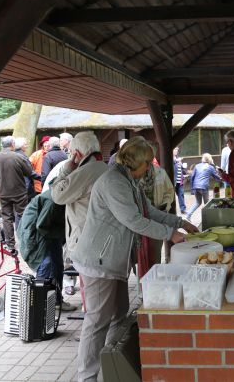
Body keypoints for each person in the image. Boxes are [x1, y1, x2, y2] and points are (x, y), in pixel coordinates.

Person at [71, 137, 198, 381]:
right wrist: (170, 235)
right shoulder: (113, 182)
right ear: (135, 163)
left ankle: (111, 368)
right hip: (98, 261)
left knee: (118, 314)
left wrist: (180, 222)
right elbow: (134, 220)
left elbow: (148, 211)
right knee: (97, 321)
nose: (150, 168)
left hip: (113, 261)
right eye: (147, 163)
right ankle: (86, 377)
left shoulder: (128, 180)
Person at [50, 131, 108, 297]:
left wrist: (65, 170)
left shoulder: (86, 171)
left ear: (76, 153)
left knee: (91, 292)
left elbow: (58, 196)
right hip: (99, 233)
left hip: (85, 237)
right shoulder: (102, 166)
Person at [17, 189, 77, 311]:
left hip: (49, 235)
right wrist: (65, 233)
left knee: (58, 266)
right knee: (46, 264)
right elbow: (42, 226)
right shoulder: (52, 200)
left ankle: (56, 301)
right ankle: (38, 310)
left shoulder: (62, 196)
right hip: (37, 236)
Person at [0, 136, 35, 251]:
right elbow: (29, 172)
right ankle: (27, 241)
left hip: (3, 194)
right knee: (23, 216)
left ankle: (10, 244)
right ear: (13, 144)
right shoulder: (18, 157)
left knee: (7, 218)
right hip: (20, 193)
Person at [185, 153, 222, 220]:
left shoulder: (197, 166)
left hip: (196, 187)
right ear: (210, 159)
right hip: (203, 187)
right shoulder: (210, 167)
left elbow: (192, 177)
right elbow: (217, 178)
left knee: (198, 202)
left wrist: (192, 189)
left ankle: (188, 215)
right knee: (207, 203)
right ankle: (207, 219)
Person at [172, 146, 187, 214]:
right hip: (173, 181)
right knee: (172, 197)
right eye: (175, 149)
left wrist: (182, 166)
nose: (176, 151)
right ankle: (172, 210)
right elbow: (173, 162)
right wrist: (178, 160)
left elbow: (183, 171)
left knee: (181, 195)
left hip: (179, 181)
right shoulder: (172, 159)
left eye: (177, 149)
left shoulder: (178, 159)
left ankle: (183, 209)